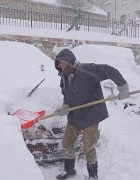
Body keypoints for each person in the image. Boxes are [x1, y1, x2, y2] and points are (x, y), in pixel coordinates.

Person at [54, 49, 130, 179]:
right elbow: (66, 95)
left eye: (62, 62)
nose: (60, 65)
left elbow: (109, 70)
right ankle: (69, 170)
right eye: (58, 63)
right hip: (75, 115)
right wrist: (66, 106)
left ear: (69, 60)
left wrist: (123, 87)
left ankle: (93, 176)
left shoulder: (86, 70)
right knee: (67, 142)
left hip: (91, 114)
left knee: (88, 147)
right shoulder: (64, 78)